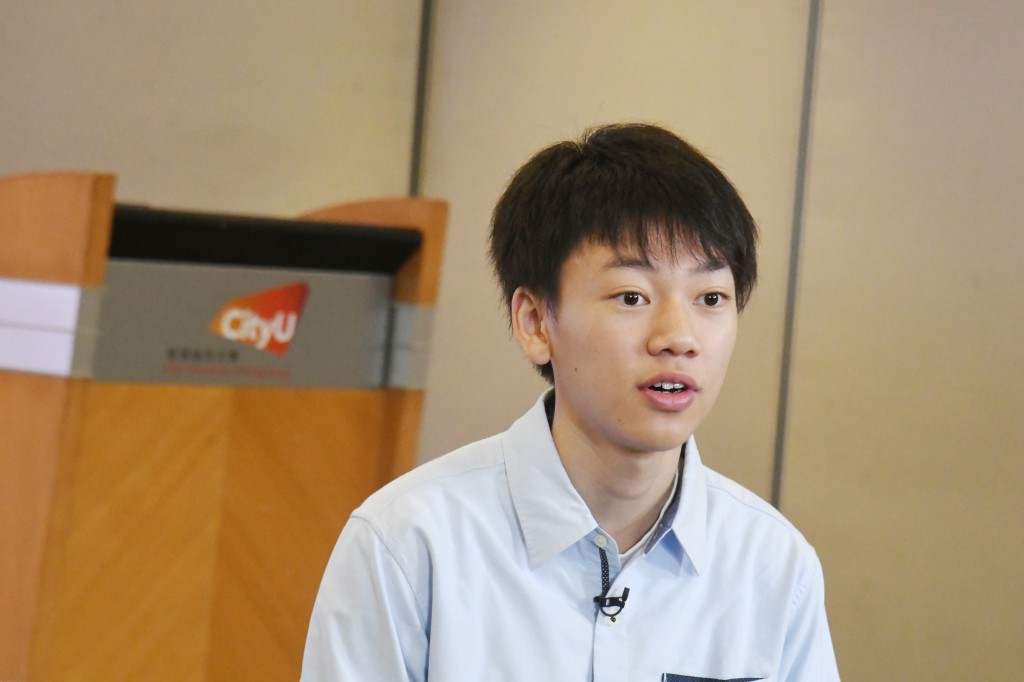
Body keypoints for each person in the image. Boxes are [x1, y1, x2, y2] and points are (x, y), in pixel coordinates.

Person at [301, 123, 840, 681]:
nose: (679, 337)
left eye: (710, 297)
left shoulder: (772, 564)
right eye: (631, 296)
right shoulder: (410, 544)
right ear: (535, 322)